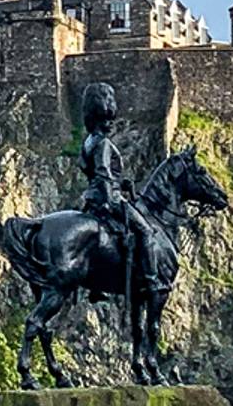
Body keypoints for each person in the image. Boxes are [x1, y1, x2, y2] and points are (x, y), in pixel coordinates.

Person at [77, 83, 161, 302]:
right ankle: (152, 280)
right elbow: (103, 173)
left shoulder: (88, 142)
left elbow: (93, 172)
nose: (111, 124)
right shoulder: (103, 143)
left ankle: (96, 284)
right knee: (146, 231)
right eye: (109, 120)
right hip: (109, 198)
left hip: (91, 197)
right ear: (103, 118)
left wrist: (122, 183)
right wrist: (110, 199)